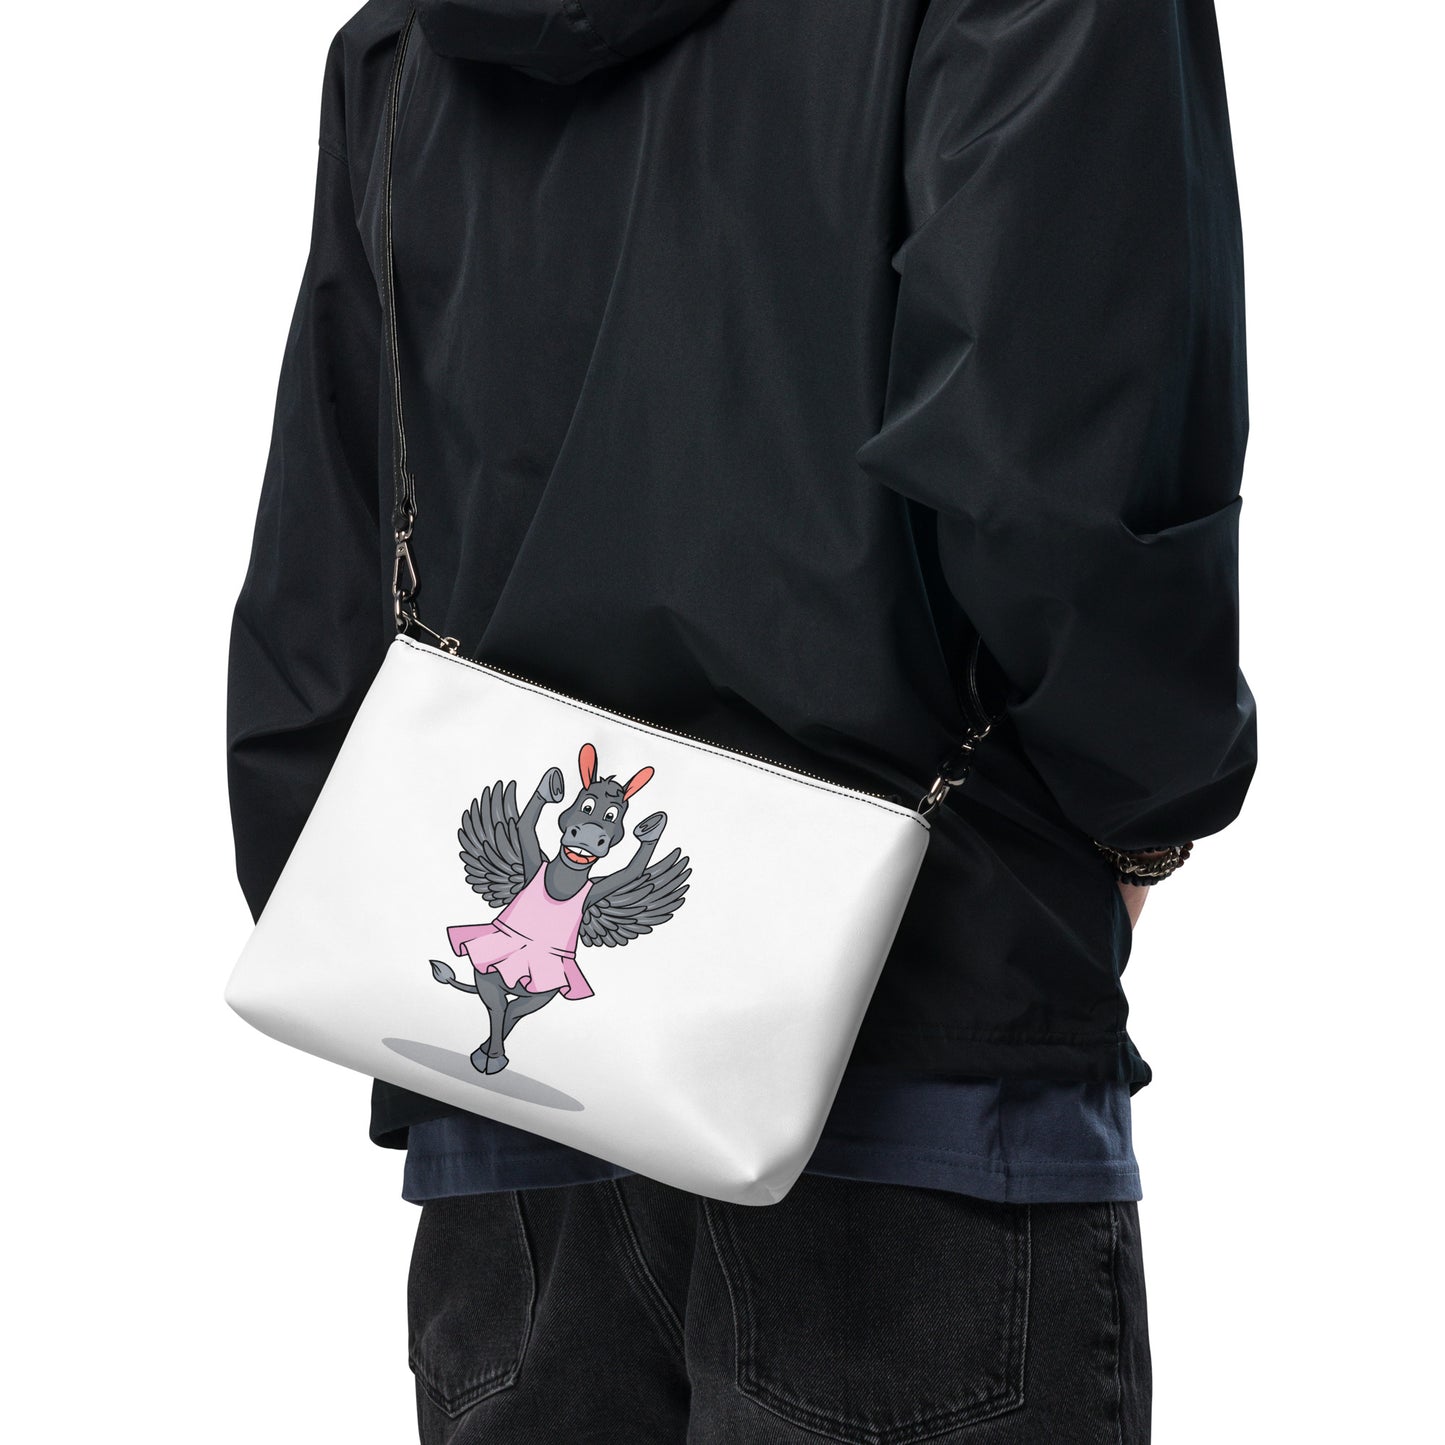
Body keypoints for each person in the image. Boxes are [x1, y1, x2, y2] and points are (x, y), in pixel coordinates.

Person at [226, 1, 1254, 1440]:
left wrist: (375, 928)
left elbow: (320, 579)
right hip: (930, 1045)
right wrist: (1142, 810)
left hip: (518, 1129)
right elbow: (1057, 477)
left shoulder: (411, 38)